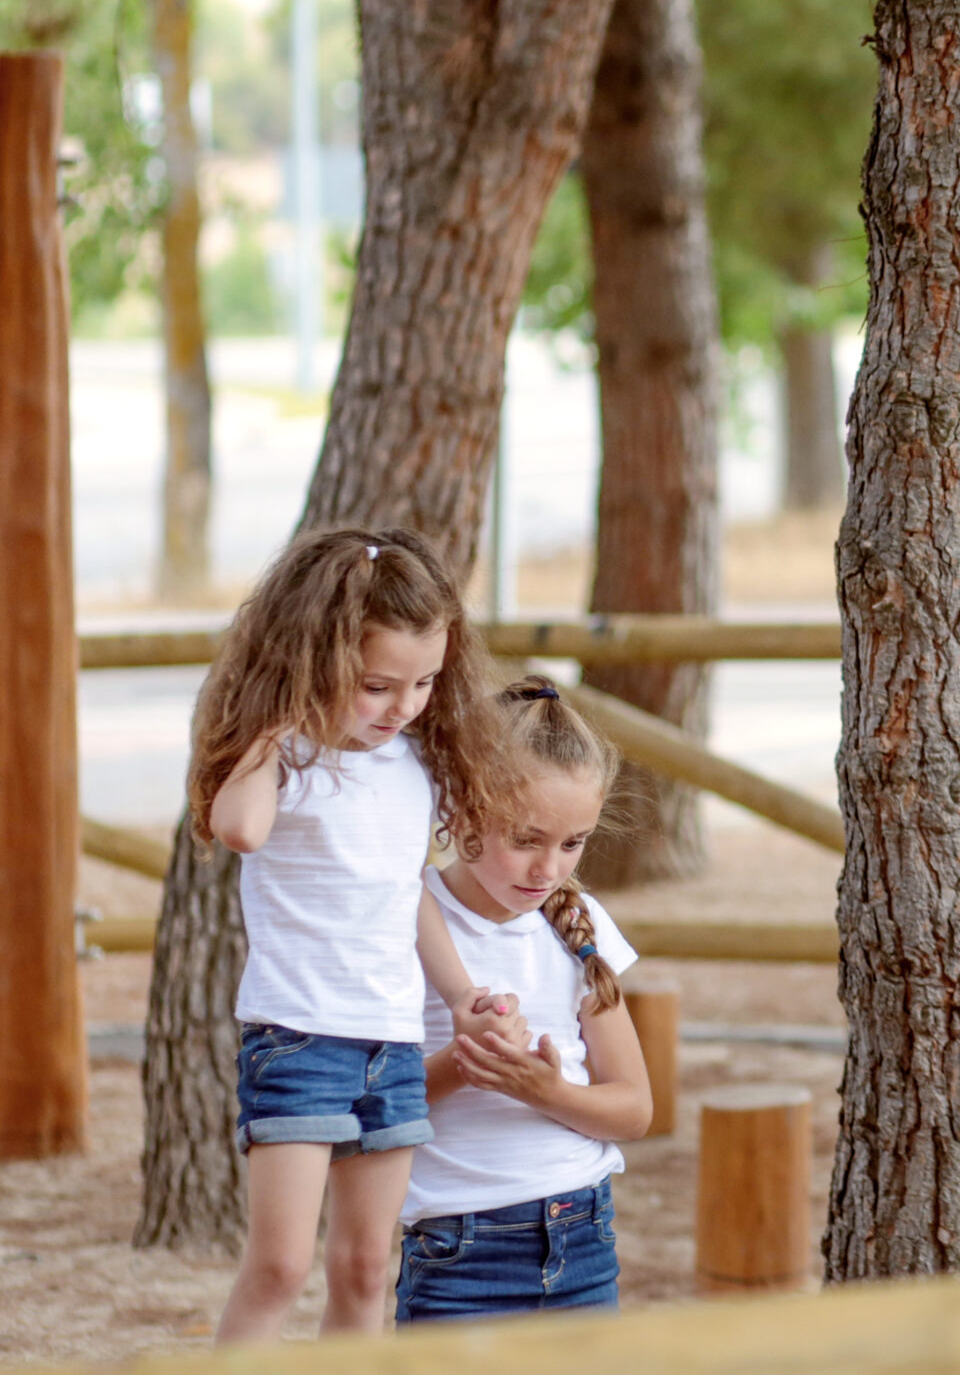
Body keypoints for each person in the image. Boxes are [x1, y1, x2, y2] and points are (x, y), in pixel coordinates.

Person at [196, 528, 520, 1341]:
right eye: (377, 685)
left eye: (423, 683)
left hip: (393, 1042)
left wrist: (459, 992)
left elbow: (403, 891)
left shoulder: (411, 764)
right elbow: (237, 829)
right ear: (314, 658)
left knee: (366, 1266)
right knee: (279, 1266)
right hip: (300, 1038)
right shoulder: (288, 758)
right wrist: (271, 729)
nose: (404, 706)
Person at [396, 678, 653, 1321]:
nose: (549, 870)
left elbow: (634, 1109)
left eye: (573, 843)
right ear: (460, 808)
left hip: (583, 1235)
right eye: (526, 838)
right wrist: (463, 1065)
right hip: (458, 1254)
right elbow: (367, 1103)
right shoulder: (407, 919)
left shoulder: (580, 924)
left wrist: (544, 1091)